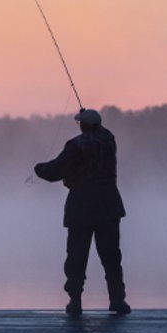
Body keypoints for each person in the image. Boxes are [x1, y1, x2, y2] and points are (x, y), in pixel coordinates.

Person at [34, 108, 130, 316]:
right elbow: (101, 133)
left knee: (77, 257)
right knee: (111, 257)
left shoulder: (76, 145)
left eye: (80, 123)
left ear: (83, 125)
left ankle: (75, 301)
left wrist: (39, 168)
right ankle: (117, 300)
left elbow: (54, 172)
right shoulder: (109, 140)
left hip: (81, 206)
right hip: (109, 205)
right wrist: (88, 117)